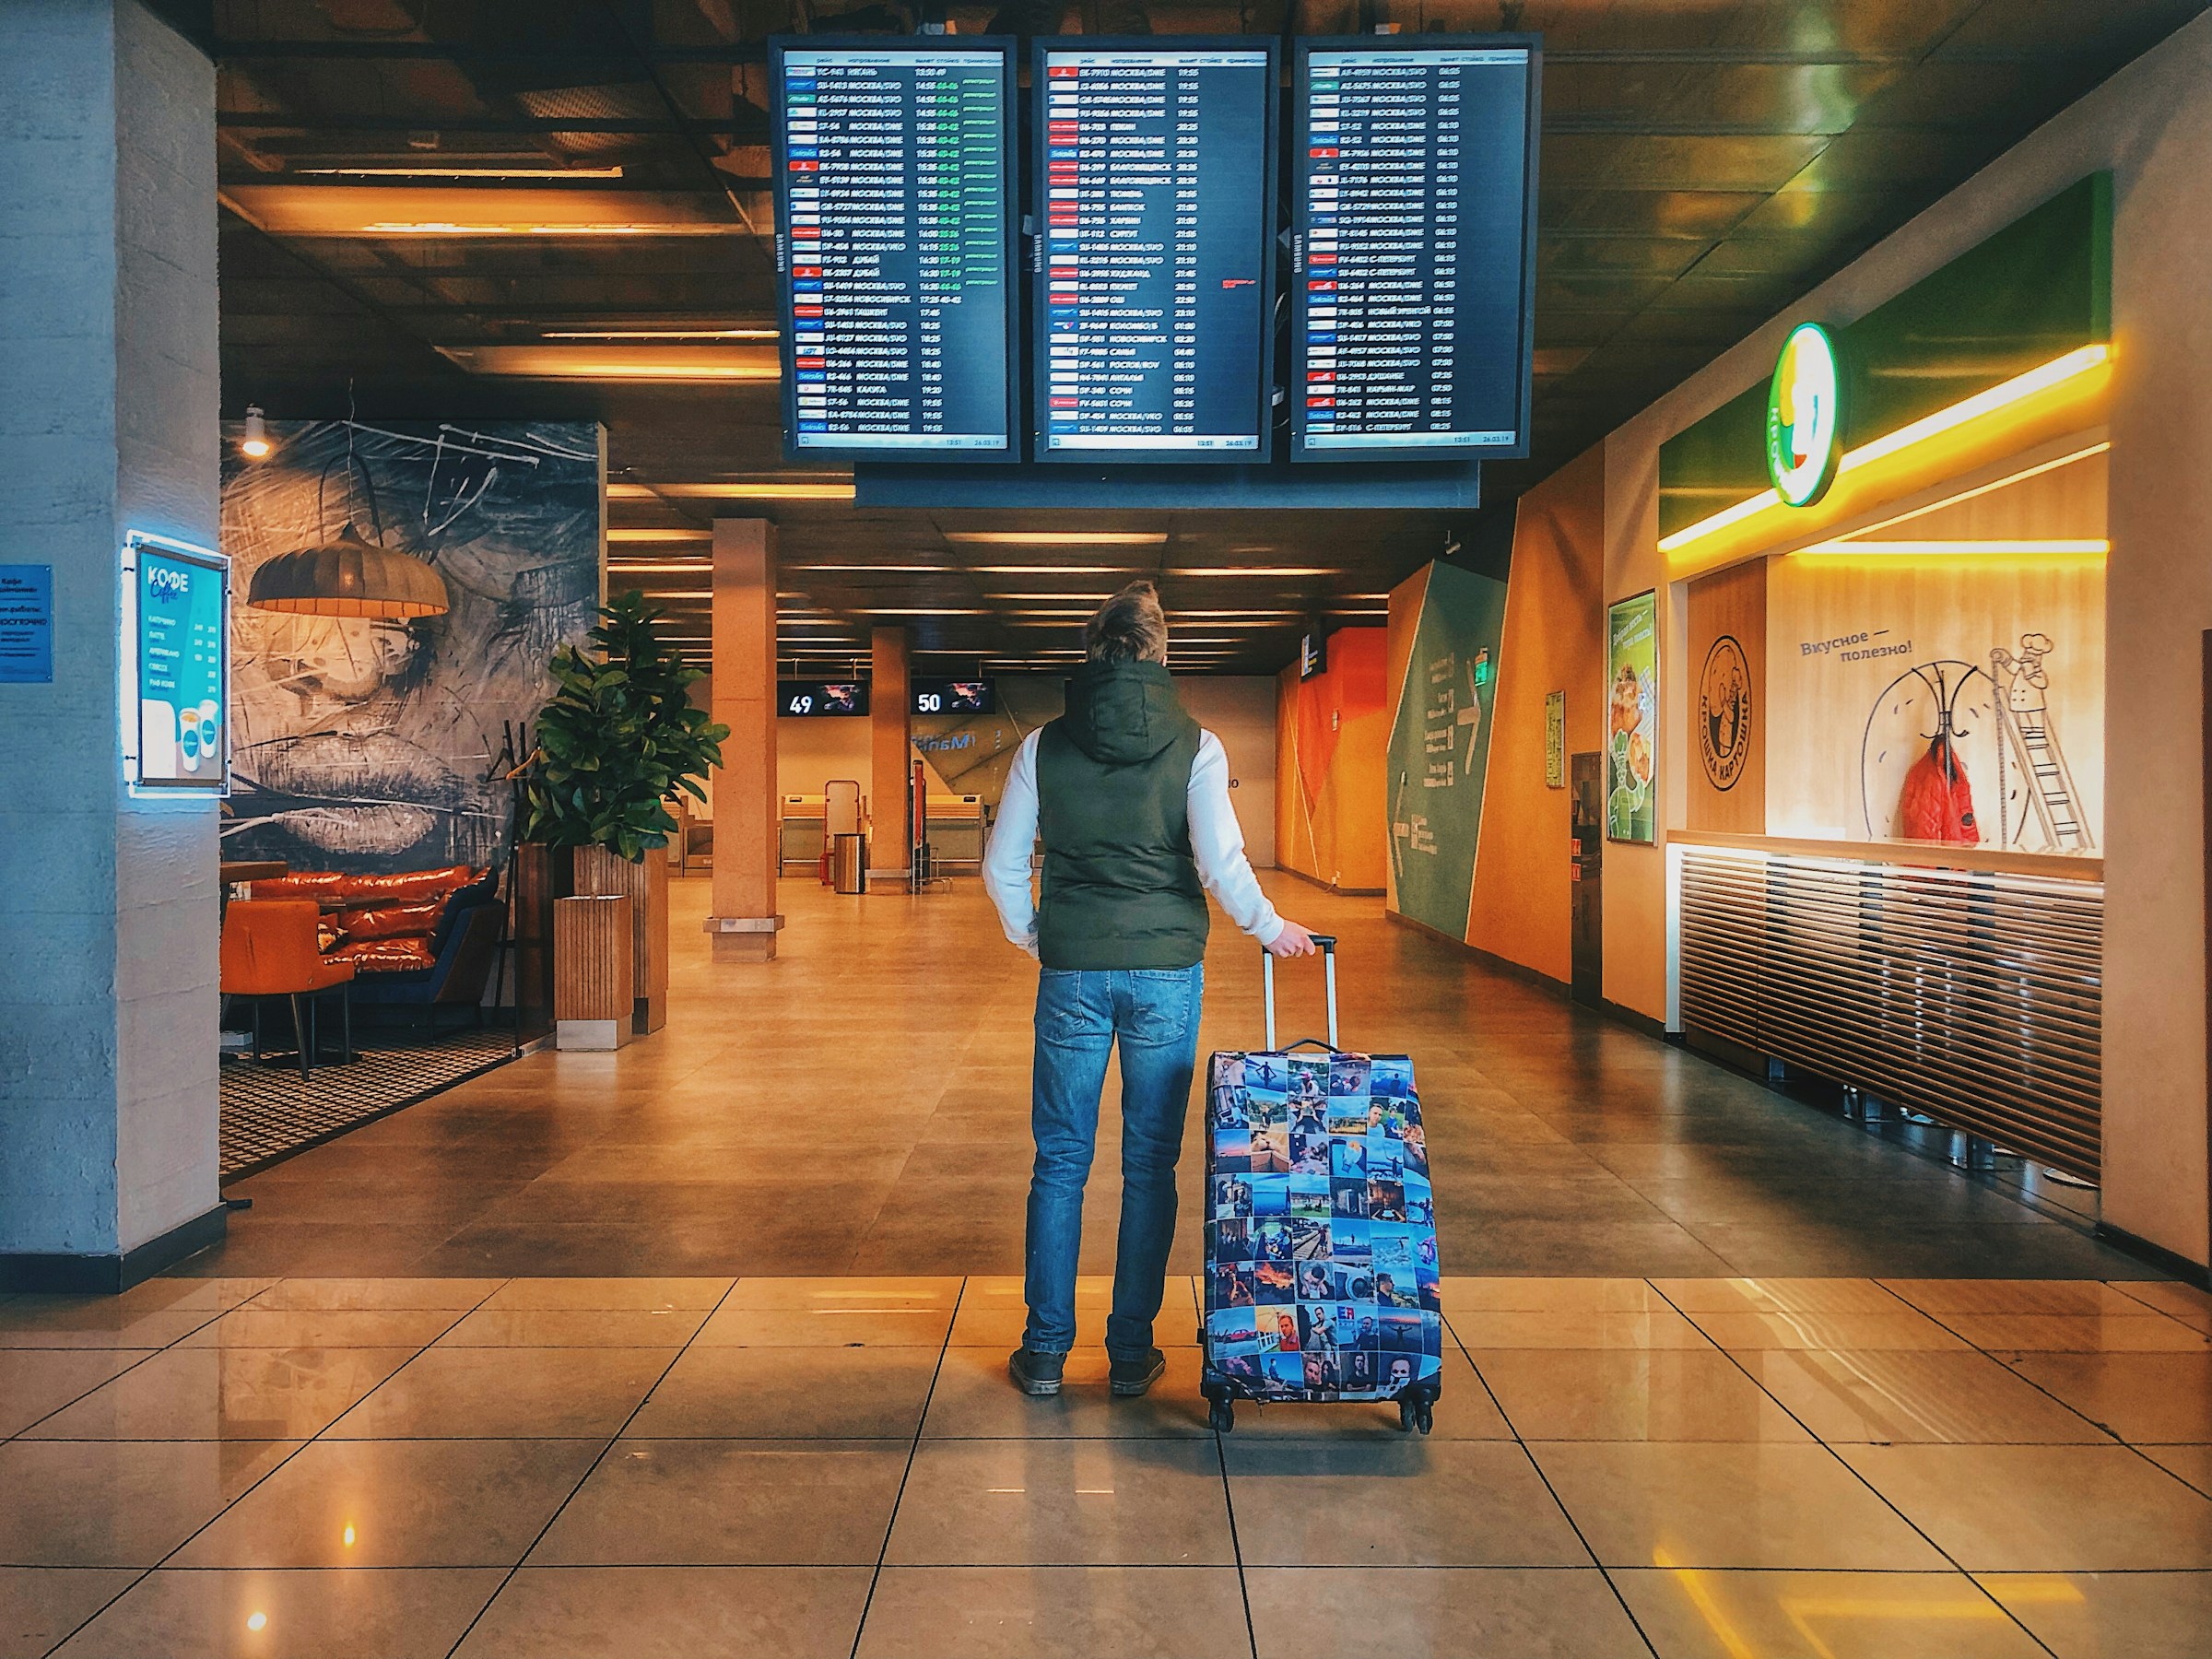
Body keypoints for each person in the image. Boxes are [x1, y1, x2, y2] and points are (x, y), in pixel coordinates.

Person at [984, 580, 1317, 1397]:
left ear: (1090, 652)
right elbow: (1220, 863)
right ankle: (1131, 1352)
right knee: (1149, 1164)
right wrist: (1270, 928)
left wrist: (1035, 934)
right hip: (1168, 971)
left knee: (1059, 1160)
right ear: (1160, 652)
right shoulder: (1198, 745)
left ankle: (1046, 1352)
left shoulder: (1041, 748)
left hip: (1072, 971)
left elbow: (1001, 867)